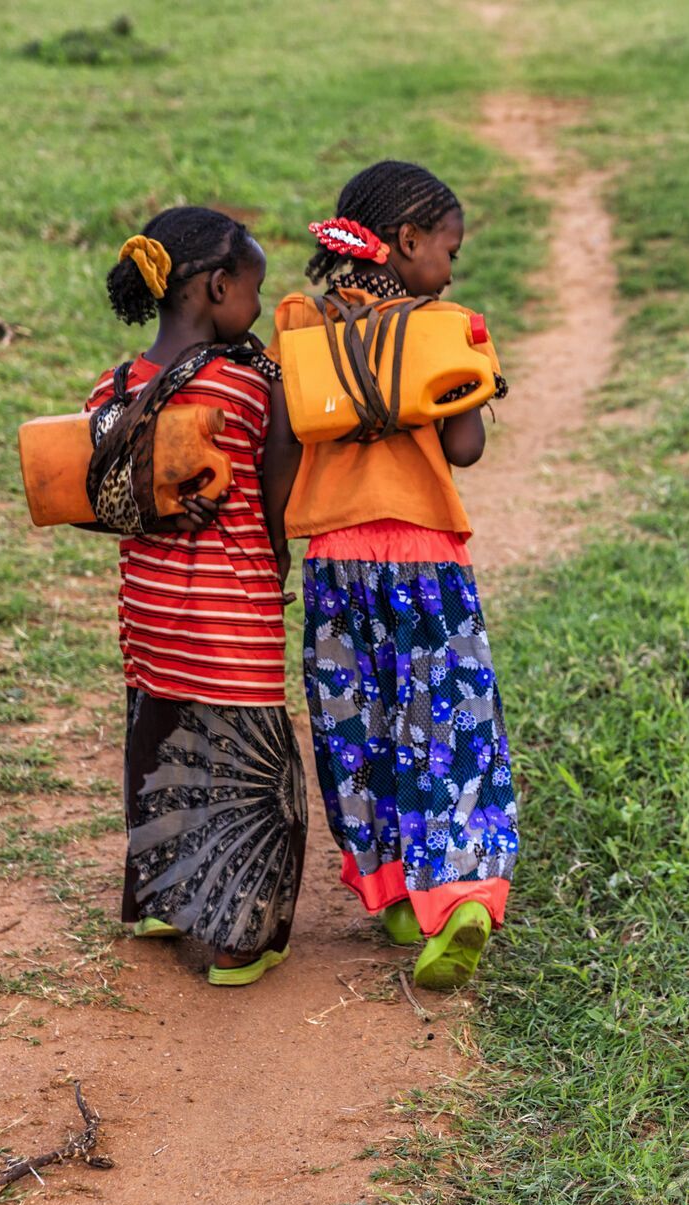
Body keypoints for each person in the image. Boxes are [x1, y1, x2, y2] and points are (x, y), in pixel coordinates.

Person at [264, 161, 519, 991]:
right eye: (449, 248)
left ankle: (396, 892)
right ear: (407, 243)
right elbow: (465, 449)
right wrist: (465, 361)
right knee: (447, 724)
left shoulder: (303, 320)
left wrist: (273, 550)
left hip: (336, 563)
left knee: (361, 726)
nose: (453, 267)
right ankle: (464, 892)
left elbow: (282, 449)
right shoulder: (439, 323)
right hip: (426, 561)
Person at [87, 206, 306, 987]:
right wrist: (279, 557)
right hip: (232, 615)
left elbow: (91, 498)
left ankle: (160, 898)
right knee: (249, 771)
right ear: (217, 287)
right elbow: (280, 497)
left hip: (149, 617)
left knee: (161, 749)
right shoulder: (250, 388)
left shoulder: (112, 391)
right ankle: (244, 937)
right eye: (253, 290)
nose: (256, 306)